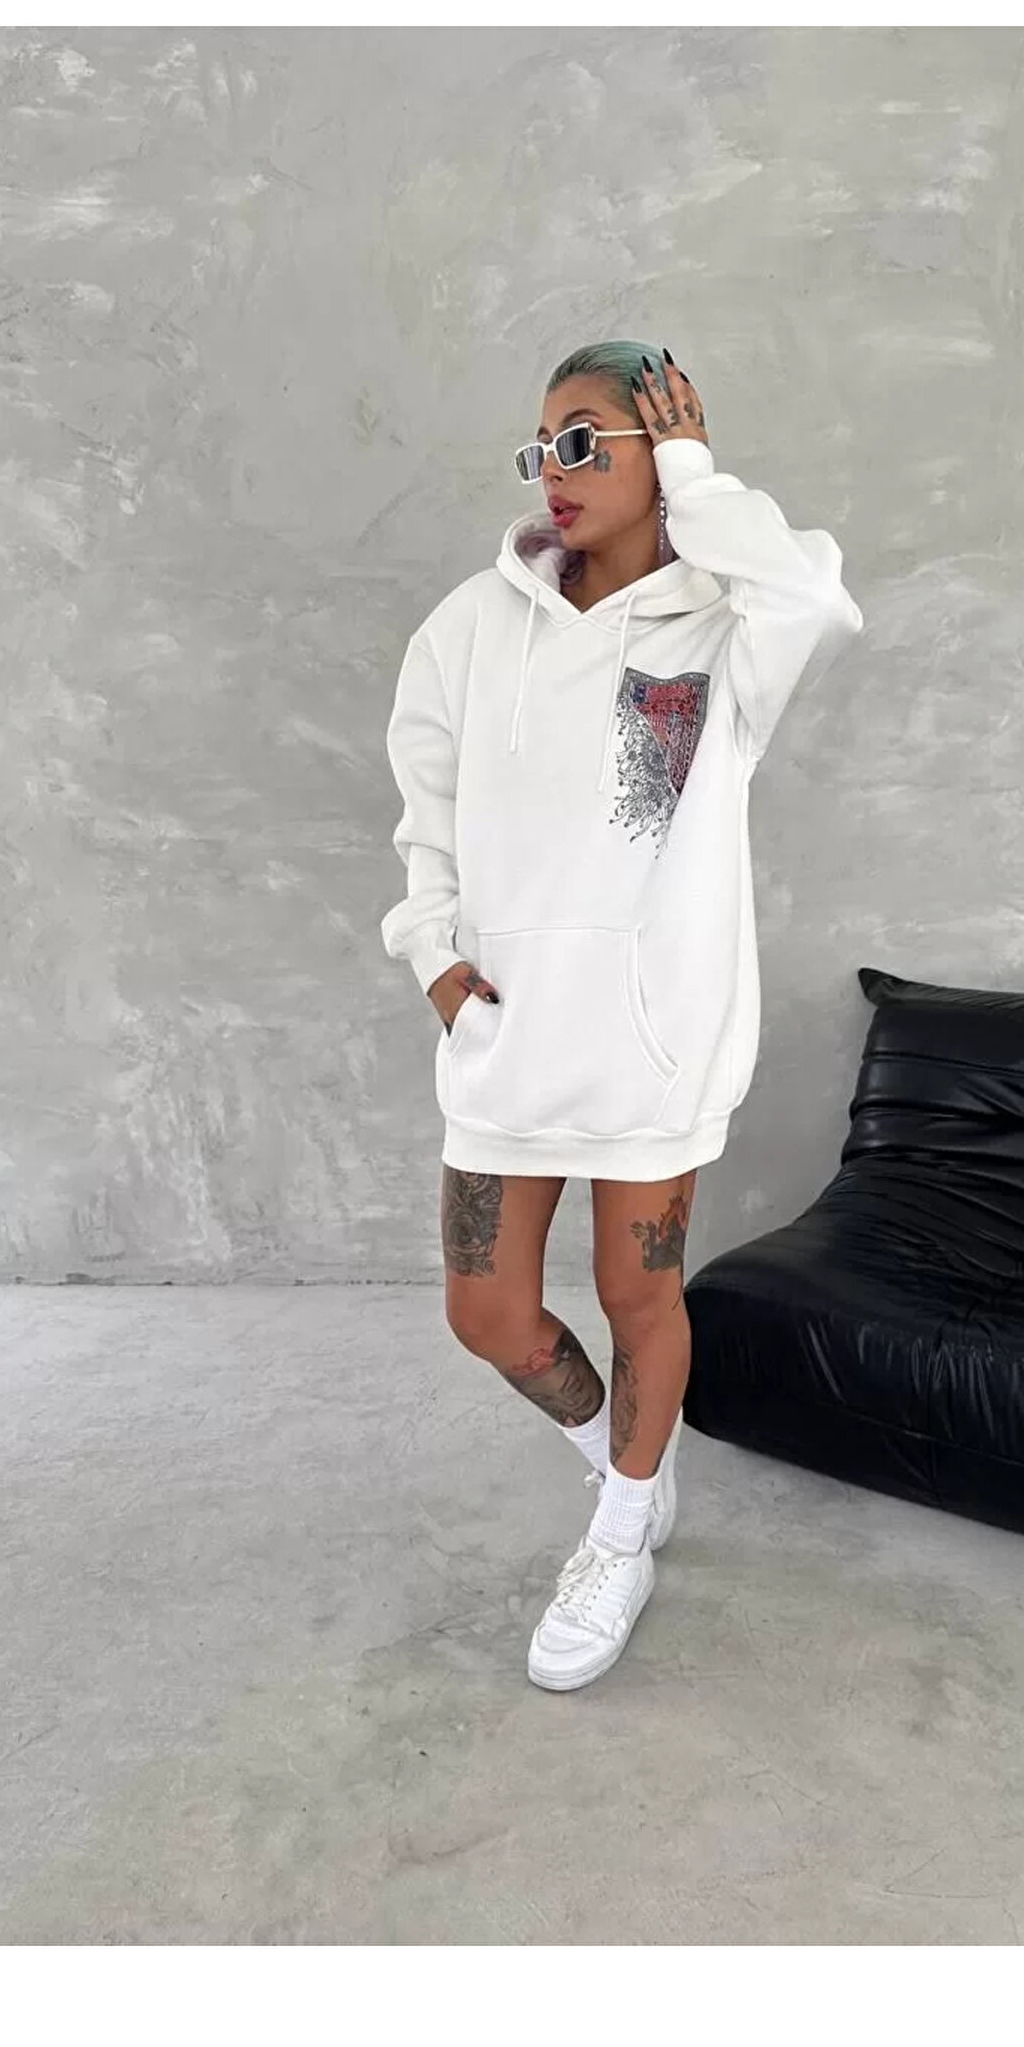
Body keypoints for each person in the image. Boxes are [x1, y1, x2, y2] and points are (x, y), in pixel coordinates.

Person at [380, 339, 864, 1690]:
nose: (558, 468)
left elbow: (815, 596)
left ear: (665, 446)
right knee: (486, 1309)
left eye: (589, 439)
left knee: (633, 1291)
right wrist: (432, 956)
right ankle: (627, 1474)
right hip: (508, 1030)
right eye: (543, 446)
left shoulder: (725, 628)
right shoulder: (466, 629)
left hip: (654, 1035)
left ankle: (615, 1536)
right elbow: (425, 812)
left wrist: (700, 481)